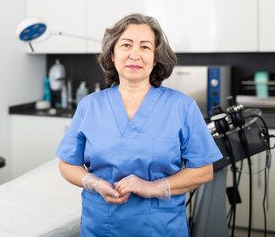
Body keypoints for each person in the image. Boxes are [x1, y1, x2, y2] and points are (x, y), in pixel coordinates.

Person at [56, 13, 222, 236]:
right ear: (112, 55)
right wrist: (94, 183)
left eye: (145, 47)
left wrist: (153, 188)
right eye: (126, 45)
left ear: (155, 59)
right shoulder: (89, 106)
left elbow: (203, 171)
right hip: (101, 226)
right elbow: (67, 164)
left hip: (161, 228)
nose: (135, 54)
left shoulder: (182, 107)